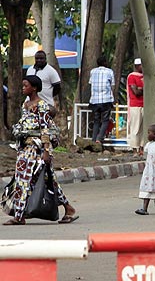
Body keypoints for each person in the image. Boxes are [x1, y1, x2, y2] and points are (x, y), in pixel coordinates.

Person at [5, 75, 78, 225]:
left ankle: (19, 216)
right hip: (25, 149)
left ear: (34, 88)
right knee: (27, 180)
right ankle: (67, 208)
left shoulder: (42, 105)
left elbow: (45, 130)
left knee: (35, 180)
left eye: (26, 86)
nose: (23, 88)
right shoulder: (25, 105)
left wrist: (46, 152)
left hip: (37, 150)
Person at [89, 55, 115, 143]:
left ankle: (93, 139)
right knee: (105, 120)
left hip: (94, 100)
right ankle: (99, 139)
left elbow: (90, 83)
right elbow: (112, 85)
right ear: (105, 63)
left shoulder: (92, 72)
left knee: (96, 121)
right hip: (106, 100)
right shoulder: (109, 72)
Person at [127, 58, 144, 155]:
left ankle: (141, 148)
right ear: (137, 66)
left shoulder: (145, 76)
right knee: (135, 128)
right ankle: (134, 149)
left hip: (144, 104)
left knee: (143, 128)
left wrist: (141, 89)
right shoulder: (132, 77)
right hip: (135, 105)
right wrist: (142, 88)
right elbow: (136, 92)